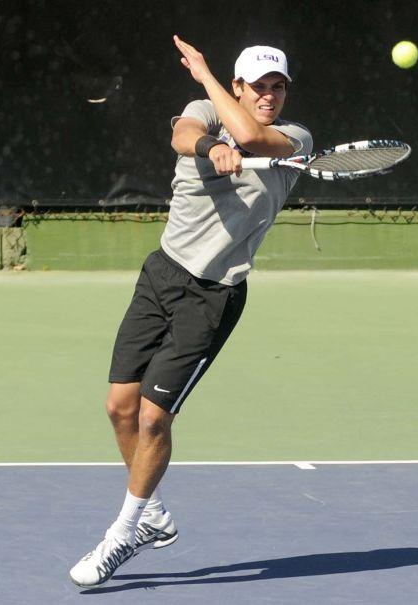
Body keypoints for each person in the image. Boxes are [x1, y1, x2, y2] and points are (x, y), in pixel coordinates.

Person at [69, 36, 312, 588]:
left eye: (278, 86)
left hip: (214, 295)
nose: (270, 95)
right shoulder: (204, 111)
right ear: (238, 87)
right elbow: (184, 133)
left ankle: (122, 533)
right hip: (162, 273)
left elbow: (251, 137)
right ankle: (151, 514)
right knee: (119, 407)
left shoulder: (295, 140)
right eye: (259, 86)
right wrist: (209, 147)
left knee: (156, 417)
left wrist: (207, 79)